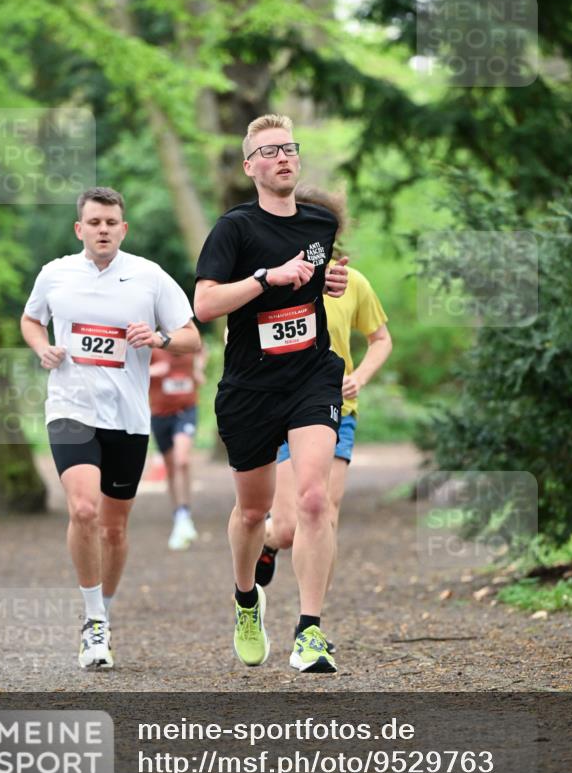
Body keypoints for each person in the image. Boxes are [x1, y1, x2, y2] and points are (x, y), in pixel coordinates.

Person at [21, 187, 200, 670]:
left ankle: (106, 612)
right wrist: (43, 348)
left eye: (111, 222)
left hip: (128, 419)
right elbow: (31, 319)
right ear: (80, 229)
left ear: (124, 229)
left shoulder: (149, 277)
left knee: (116, 530)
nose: (103, 229)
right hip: (70, 408)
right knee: (84, 510)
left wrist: (160, 337)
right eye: (94, 222)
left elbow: (192, 336)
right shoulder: (54, 274)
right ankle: (93, 620)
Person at [194, 114, 349, 674]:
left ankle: (310, 631)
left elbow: (320, 278)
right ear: (250, 166)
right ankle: (244, 599)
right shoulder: (233, 229)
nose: (283, 157)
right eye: (270, 151)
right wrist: (265, 278)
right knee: (254, 510)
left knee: (312, 498)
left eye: (289, 148)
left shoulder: (320, 223)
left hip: (311, 376)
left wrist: (328, 280)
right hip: (249, 388)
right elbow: (205, 305)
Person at [255, 186, 393, 646]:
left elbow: (381, 340)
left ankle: (311, 623)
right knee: (292, 526)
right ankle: (269, 542)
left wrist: (362, 378)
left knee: (324, 513)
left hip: (338, 409)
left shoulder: (352, 283)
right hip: (281, 407)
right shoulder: (278, 278)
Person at [149, 344, 207, 550]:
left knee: (182, 459)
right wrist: (153, 371)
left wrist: (198, 370)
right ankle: (179, 514)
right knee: (171, 468)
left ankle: (185, 513)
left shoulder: (191, 346)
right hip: (160, 414)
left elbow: (202, 351)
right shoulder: (153, 349)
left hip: (186, 410)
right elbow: (133, 375)